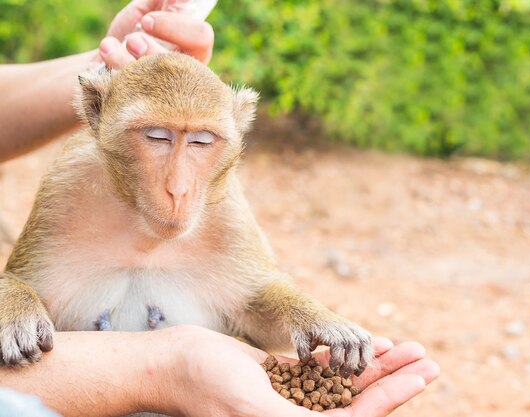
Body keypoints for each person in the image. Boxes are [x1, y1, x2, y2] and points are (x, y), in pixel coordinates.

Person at [0, 1, 440, 416]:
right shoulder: (73, 187)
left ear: (237, 126)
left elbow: (259, 300)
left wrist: (311, 318)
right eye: (154, 138)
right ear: (95, 111)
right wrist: (13, 300)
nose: (178, 185)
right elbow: (17, 288)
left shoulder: (224, 205)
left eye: (203, 142)